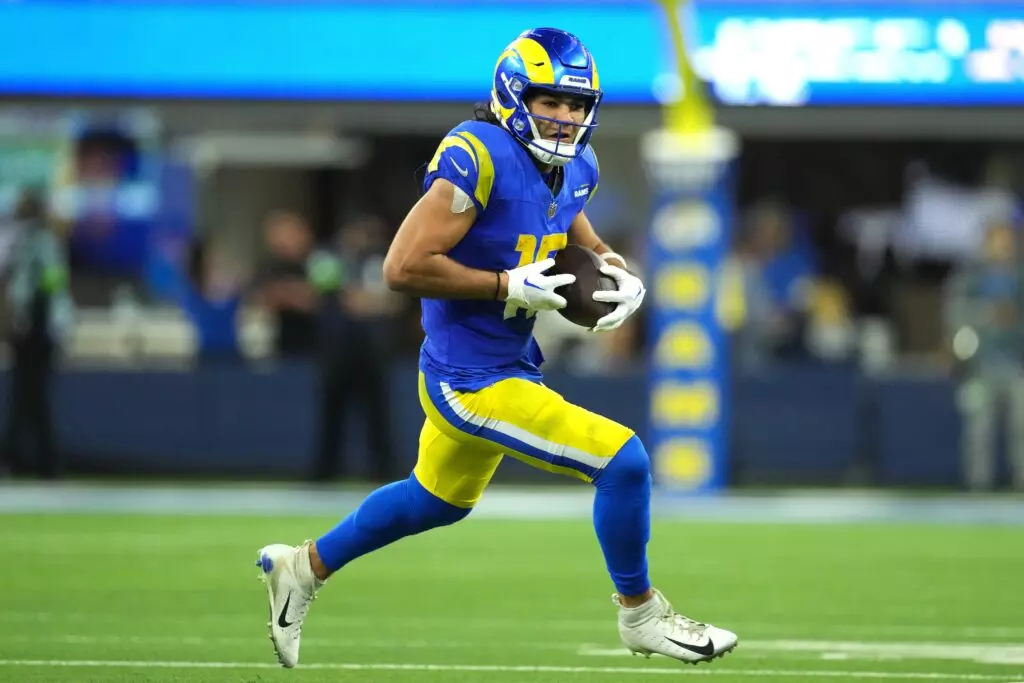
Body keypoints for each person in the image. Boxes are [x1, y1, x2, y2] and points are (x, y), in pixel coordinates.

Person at [255, 27, 738, 669]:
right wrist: (506, 283)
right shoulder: (476, 154)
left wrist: (609, 262)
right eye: (550, 101)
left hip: (505, 363)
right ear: (514, 95)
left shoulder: (575, 166)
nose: (565, 117)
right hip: (467, 376)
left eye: (575, 105)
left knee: (434, 501)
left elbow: (566, 217)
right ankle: (640, 613)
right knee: (624, 463)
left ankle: (302, 567)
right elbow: (400, 267)